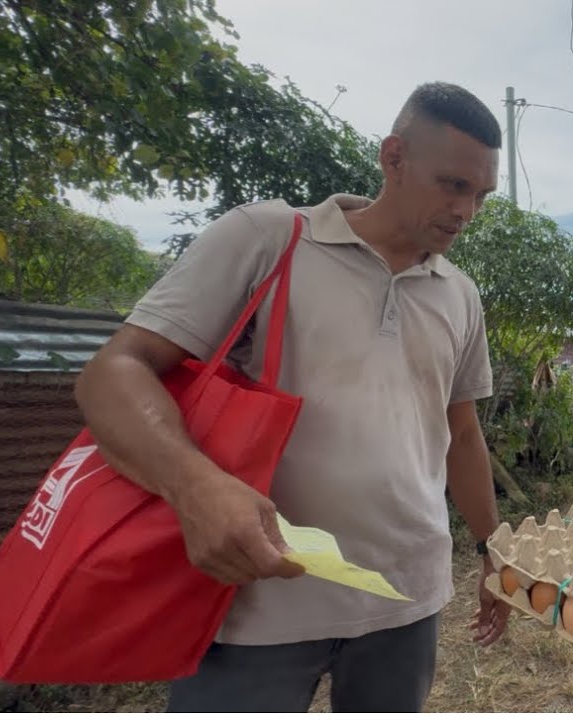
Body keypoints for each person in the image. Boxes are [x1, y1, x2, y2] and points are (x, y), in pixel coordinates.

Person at [74, 82, 511, 712]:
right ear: (394, 158)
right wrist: (195, 488)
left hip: (407, 601)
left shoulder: (459, 293)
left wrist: (494, 548)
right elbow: (115, 370)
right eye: (452, 184)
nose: (466, 210)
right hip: (255, 600)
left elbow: (462, 434)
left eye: (480, 195)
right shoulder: (269, 239)